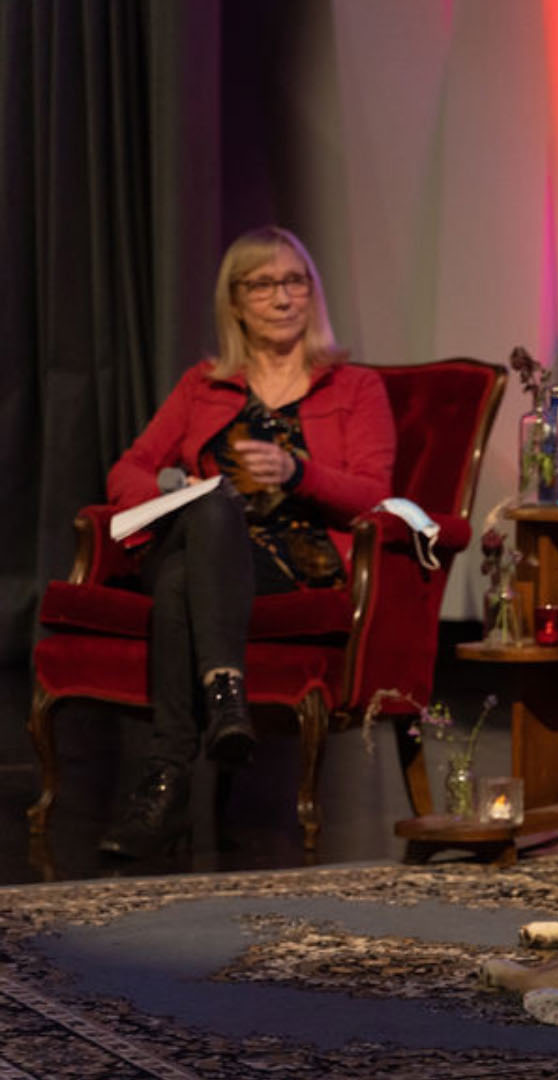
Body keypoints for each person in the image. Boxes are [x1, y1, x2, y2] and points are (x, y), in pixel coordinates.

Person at [98, 226, 395, 857]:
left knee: (181, 582)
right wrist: (169, 485)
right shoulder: (202, 385)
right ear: (235, 302)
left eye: (295, 281)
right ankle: (224, 696)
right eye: (263, 284)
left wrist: (298, 472)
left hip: (291, 558)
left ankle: (165, 779)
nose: (283, 297)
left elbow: (374, 493)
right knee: (212, 510)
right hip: (197, 536)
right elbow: (126, 469)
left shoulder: (355, 387)